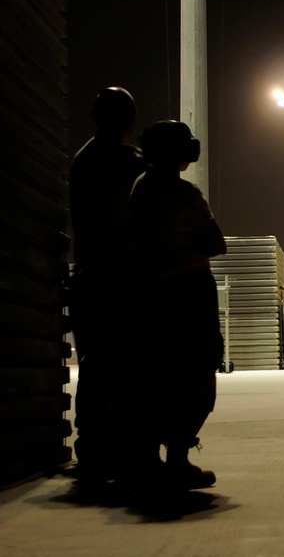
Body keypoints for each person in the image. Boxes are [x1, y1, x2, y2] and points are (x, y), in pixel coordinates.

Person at [125, 120, 227, 491]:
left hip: (151, 292)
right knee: (196, 373)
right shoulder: (186, 194)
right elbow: (217, 243)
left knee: (155, 373)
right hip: (191, 289)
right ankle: (178, 460)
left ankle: (148, 460)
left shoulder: (139, 188)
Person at [67, 86, 148, 482]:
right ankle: (122, 449)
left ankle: (93, 449)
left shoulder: (82, 159)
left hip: (88, 278)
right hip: (122, 281)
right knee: (128, 366)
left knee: (94, 365)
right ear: (128, 123)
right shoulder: (129, 161)